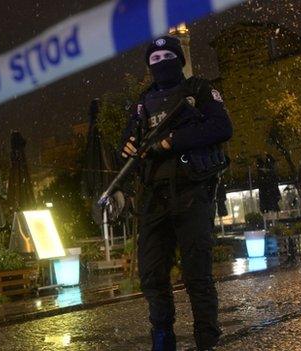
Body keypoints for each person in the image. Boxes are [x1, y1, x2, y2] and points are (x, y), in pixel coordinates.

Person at [120, 35, 233, 351]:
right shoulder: (143, 102)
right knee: (152, 275)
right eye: (153, 60)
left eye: (166, 57)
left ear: (178, 60)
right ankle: (162, 338)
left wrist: (174, 140)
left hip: (191, 192)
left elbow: (222, 128)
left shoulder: (198, 90)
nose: (160, 64)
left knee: (197, 275)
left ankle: (206, 340)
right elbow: (129, 139)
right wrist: (126, 147)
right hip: (153, 197)